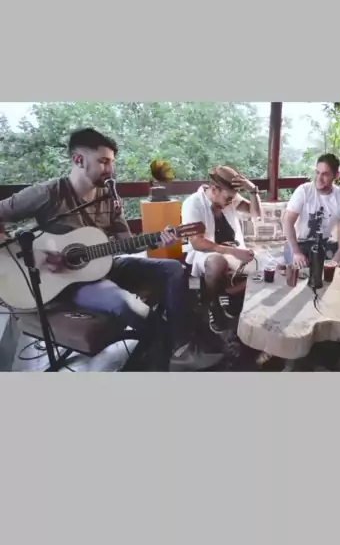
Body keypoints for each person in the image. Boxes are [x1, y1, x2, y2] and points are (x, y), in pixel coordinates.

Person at [0, 127, 223, 372]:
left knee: (173, 269)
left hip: (106, 263)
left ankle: (180, 347)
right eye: (103, 161)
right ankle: (163, 345)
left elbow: (126, 241)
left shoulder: (109, 197)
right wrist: (30, 254)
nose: (110, 169)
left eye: (112, 162)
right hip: (67, 282)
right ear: (78, 160)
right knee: (122, 303)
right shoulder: (48, 193)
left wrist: (159, 240)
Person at [181, 165, 263, 334]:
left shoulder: (230, 199)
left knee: (272, 267)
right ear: (214, 190)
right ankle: (213, 304)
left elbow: (256, 214)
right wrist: (234, 252)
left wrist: (253, 190)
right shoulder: (193, 203)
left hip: (235, 251)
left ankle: (229, 293)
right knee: (217, 262)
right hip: (205, 254)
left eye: (233, 197)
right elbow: (197, 243)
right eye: (228, 197)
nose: (231, 201)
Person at [282, 153, 340, 276]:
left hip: (324, 243)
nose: (319, 178)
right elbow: (287, 221)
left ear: (337, 175)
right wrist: (296, 252)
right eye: (317, 172)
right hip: (300, 244)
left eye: (325, 174)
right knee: (306, 267)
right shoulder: (304, 191)